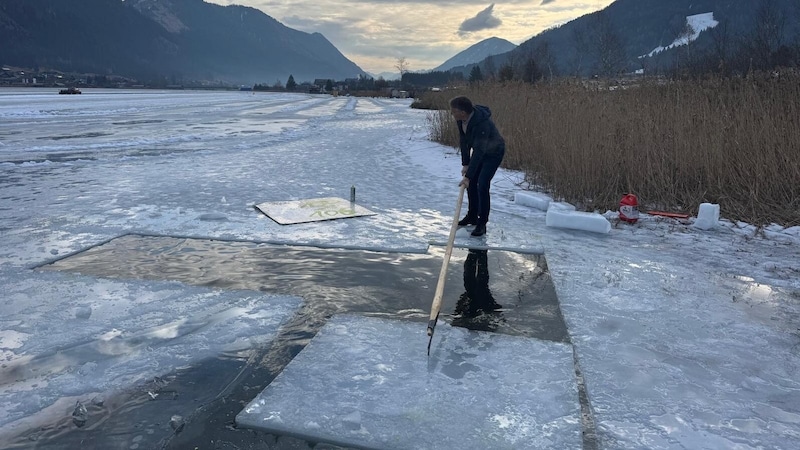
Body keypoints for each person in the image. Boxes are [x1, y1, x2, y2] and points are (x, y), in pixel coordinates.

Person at [449, 96, 506, 237]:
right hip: (480, 152)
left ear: (463, 112)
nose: (452, 114)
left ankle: (482, 223)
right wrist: (466, 164)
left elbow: (480, 151)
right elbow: (464, 141)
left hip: (493, 153)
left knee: (482, 183)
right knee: (472, 183)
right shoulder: (460, 120)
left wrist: (468, 176)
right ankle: (472, 215)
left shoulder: (482, 124)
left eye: (454, 111)